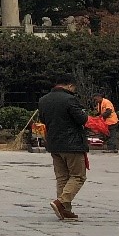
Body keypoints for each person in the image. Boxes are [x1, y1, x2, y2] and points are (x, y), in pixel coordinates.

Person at [39, 75, 89, 220]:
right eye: (74, 88)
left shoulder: (44, 100)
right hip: (72, 144)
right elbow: (82, 119)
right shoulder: (70, 99)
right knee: (78, 176)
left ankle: (65, 210)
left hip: (54, 144)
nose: (74, 90)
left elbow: (43, 120)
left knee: (62, 178)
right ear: (69, 85)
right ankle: (60, 202)